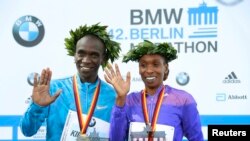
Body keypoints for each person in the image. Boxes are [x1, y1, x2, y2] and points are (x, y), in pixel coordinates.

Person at [20, 23, 121, 141]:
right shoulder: (53, 89)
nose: (86, 60)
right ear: (74, 55)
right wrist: (37, 107)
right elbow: (27, 131)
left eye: (94, 55)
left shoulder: (113, 96)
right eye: (81, 53)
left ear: (102, 58)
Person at [104, 40, 204, 141]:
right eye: (143, 65)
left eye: (156, 65)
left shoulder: (183, 100)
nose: (149, 70)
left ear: (165, 68)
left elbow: (196, 138)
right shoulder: (129, 101)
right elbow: (115, 139)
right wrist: (121, 98)